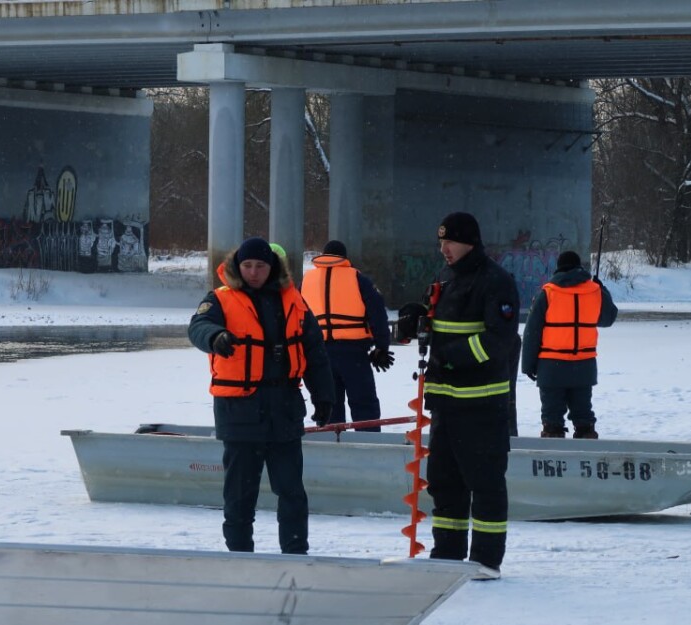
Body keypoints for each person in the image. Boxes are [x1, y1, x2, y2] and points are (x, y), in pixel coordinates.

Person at [187, 237, 335, 554]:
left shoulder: (294, 301)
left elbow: (314, 353)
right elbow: (198, 326)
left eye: (261, 266)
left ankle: (295, 553)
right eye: (248, 266)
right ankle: (240, 555)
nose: (254, 272)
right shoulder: (220, 299)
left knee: (292, 491)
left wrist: (324, 396)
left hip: (283, 411)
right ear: (238, 267)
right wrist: (216, 337)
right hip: (240, 413)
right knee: (239, 495)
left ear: (272, 268)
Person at [395, 212, 519, 580]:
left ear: (470, 242)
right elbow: (441, 323)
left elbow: (498, 341)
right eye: (440, 243)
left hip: (481, 404)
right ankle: (447, 553)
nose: (444, 249)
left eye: (450, 242)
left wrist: (452, 358)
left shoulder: (496, 282)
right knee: (445, 482)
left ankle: (485, 560)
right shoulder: (447, 278)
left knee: (484, 482)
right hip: (446, 403)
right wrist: (419, 316)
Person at [520, 250, 618, 439]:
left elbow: (532, 331)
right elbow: (608, 318)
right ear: (579, 267)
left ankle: (553, 453)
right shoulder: (594, 291)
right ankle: (586, 450)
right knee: (583, 416)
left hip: (551, 366)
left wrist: (528, 365)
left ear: (558, 268)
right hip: (583, 366)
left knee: (552, 419)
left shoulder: (548, 292)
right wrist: (601, 289)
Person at [299, 239, 394, 430]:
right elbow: (377, 313)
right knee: (364, 405)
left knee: (329, 406)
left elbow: (296, 316)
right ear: (344, 257)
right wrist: (382, 346)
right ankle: (368, 445)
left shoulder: (306, 281)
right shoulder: (358, 279)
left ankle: (333, 450)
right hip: (354, 353)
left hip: (319, 355)